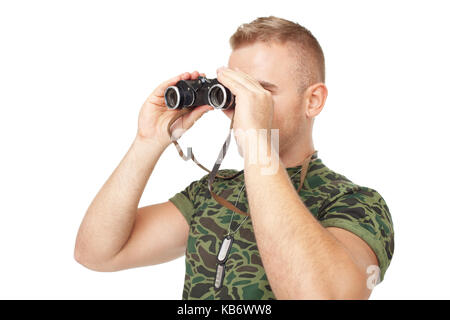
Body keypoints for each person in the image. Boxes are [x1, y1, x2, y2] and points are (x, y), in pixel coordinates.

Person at [74, 16, 394, 300]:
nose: (243, 107)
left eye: (259, 92)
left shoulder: (355, 204)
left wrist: (258, 143)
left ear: (313, 101)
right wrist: (149, 140)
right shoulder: (215, 192)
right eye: (236, 92)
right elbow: (97, 253)